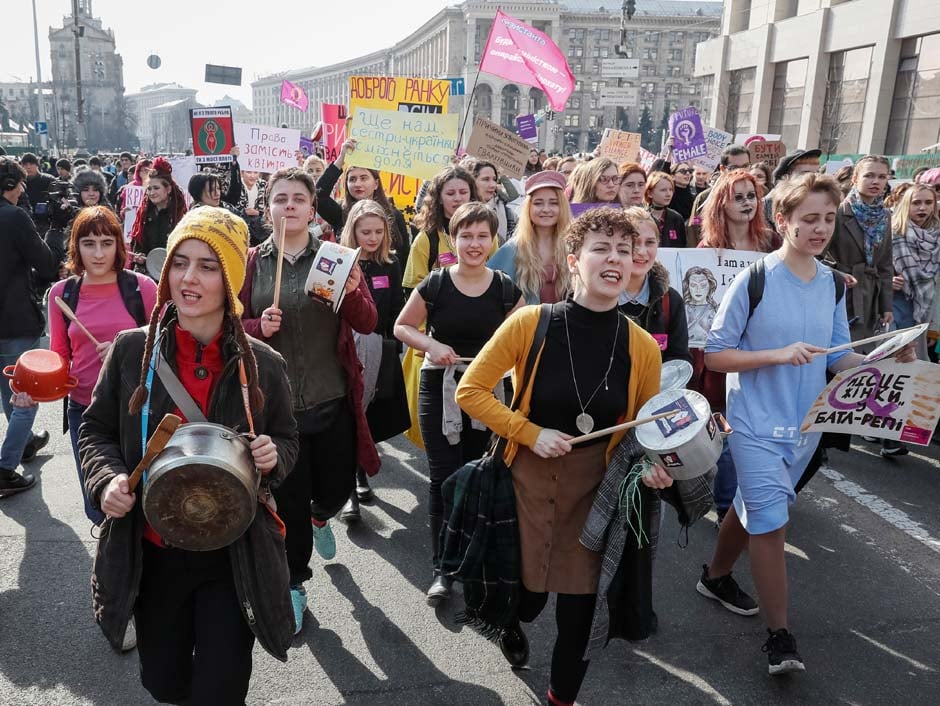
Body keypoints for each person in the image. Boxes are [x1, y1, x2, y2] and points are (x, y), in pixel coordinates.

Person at [698, 173, 916, 676]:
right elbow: (715, 356)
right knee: (772, 524)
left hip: (805, 427)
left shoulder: (834, 285)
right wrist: (777, 355)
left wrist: (884, 364)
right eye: (809, 219)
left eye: (827, 219)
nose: (820, 228)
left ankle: (715, 575)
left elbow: (838, 358)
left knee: (754, 507)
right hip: (753, 425)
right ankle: (780, 637)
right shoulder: (753, 280)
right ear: (783, 220)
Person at [78, 206, 298, 705]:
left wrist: (272, 455)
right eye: (179, 263)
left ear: (232, 280)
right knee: (164, 682)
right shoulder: (133, 351)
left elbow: (287, 438)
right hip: (154, 552)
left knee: (220, 689)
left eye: (207, 265)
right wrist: (106, 479)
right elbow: (93, 430)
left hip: (232, 555)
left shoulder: (262, 364)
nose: (188, 278)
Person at [454, 207, 663, 706]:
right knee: (524, 601)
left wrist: (657, 468)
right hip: (523, 483)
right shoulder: (532, 322)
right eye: (600, 248)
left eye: (623, 251)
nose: (614, 259)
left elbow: (646, 431)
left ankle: (559, 699)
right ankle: (511, 623)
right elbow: (472, 390)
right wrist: (527, 432)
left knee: (580, 616)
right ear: (574, 260)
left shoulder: (643, 349)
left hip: (596, 494)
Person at [238, 167, 378, 635]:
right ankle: (295, 583)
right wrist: (259, 327)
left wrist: (355, 290)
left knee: (336, 489)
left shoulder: (334, 259)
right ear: (269, 207)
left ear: (312, 207)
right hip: (279, 413)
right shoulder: (252, 263)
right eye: (281, 198)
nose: (290, 206)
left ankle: (324, 516)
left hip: (332, 399)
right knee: (289, 505)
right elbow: (230, 325)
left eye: (299, 198)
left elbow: (366, 322)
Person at [394, 202, 523, 605]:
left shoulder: (505, 288)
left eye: (482, 235)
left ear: (493, 240)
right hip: (441, 387)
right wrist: (431, 344)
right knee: (444, 479)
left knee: (481, 475)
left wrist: (499, 358)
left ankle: (476, 558)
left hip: (490, 393)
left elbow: (524, 340)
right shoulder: (434, 284)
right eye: (466, 235)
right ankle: (442, 567)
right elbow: (401, 326)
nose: (474, 243)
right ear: (453, 238)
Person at [48, 206, 157, 523]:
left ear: (119, 246)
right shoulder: (62, 294)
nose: (98, 253)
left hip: (137, 408)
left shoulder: (142, 288)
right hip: (84, 409)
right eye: (89, 243)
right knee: (99, 503)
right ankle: (112, 567)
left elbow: (165, 346)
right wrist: (31, 390)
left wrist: (127, 350)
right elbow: (59, 358)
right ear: (76, 247)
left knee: (140, 500)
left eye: (107, 243)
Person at [693, 170, 775, 519]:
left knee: (754, 422)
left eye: (751, 196)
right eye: (738, 197)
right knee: (725, 424)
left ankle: (753, 492)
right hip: (719, 346)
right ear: (721, 205)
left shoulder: (771, 244)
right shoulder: (707, 250)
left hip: (760, 345)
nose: (746, 203)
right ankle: (726, 506)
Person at [337, 199, 408, 522]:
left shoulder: (390, 264)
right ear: (352, 231)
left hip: (378, 346)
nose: (373, 237)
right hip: (344, 346)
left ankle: (359, 472)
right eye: (366, 231)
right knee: (349, 413)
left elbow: (395, 307)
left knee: (367, 413)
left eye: (379, 231)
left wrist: (394, 344)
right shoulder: (340, 262)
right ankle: (349, 486)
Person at [0, 157, 65, 495]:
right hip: (14, 318)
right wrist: (54, 229)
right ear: (9, 185)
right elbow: (47, 263)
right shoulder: (14, 217)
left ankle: (23, 443)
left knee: (6, 388)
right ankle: (6, 466)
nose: (24, 188)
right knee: (26, 392)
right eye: (20, 183)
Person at [826, 155, 893, 346]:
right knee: (842, 346)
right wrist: (838, 274)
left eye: (881, 177)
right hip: (843, 290)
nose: (875, 181)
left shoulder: (885, 216)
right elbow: (818, 255)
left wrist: (886, 305)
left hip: (871, 294)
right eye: (869, 176)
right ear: (855, 178)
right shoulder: (838, 212)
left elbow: (885, 264)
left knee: (866, 349)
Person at [315, 140, 410, 267]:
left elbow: (404, 254)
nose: (358, 184)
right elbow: (318, 195)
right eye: (352, 179)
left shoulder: (393, 214)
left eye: (364, 178)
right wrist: (341, 160)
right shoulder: (341, 213)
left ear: (376, 184)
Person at [619, 206, 691, 364]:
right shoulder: (599, 298)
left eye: (650, 242)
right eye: (634, 242)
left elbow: (679, 357)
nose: (642, 251)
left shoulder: (670, 300)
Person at [487, 171, 572, 304]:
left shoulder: (574, 246)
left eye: (553, 203)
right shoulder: (512, 249)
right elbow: (489, 289)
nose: (546, 209)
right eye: (538, 203)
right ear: (528, 208)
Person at [403, 166, 489, 290]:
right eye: (450, 193)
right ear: (439, 199)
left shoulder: (487, 232)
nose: (458, 198)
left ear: (471, 195)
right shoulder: (426, 238)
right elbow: (413, 288)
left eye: (463, 192)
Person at [129, 157, 188, 267]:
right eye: (149, 189)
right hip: (148, 272)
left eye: (156, 188)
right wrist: (139, 255)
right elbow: (137, 244)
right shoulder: (144, 214)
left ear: (168, 189)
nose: (151, 193)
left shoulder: (180, 216)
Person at [688, 144, 751, 244]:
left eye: (745, 166)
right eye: (734, 167)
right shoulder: (705, 198)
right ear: (722, 169)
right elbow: (693, 231)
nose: (740, 172)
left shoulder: (759, 194)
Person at [467, 159, 517, 245]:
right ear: (472, 181)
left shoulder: (505, 209)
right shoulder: (463, 210)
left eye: (494, 179)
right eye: (486, 179)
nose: (493, 185)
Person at [645, 171, 687, 247]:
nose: (668, 194)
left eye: (671, 190)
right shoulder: (641, 217)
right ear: (649, 193)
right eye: (663, 190)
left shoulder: (676, 218)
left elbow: (682, 247)